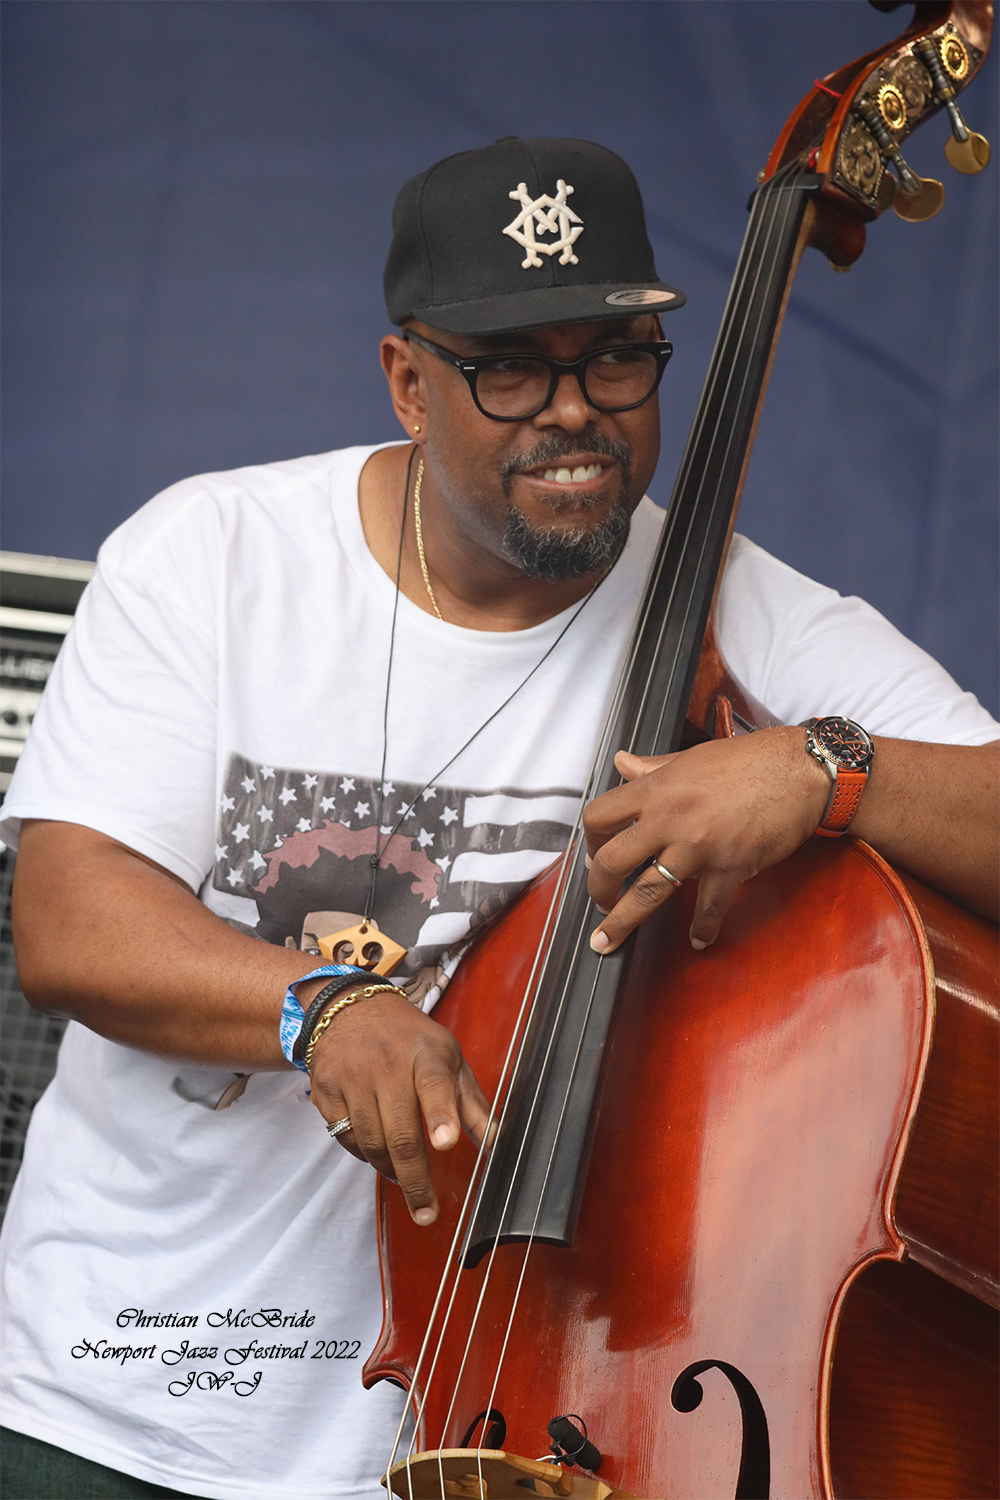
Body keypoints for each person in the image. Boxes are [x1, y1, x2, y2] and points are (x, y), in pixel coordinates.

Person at [0, 136, 996, 1500]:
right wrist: (322, 1009)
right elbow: (67, 920)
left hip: (508, 1436)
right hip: (124, 1402)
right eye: (511, 366)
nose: (574, 411)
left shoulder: (730, 601)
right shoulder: (213, 558)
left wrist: (826, 766)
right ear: (409, 380)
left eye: (615, 357)